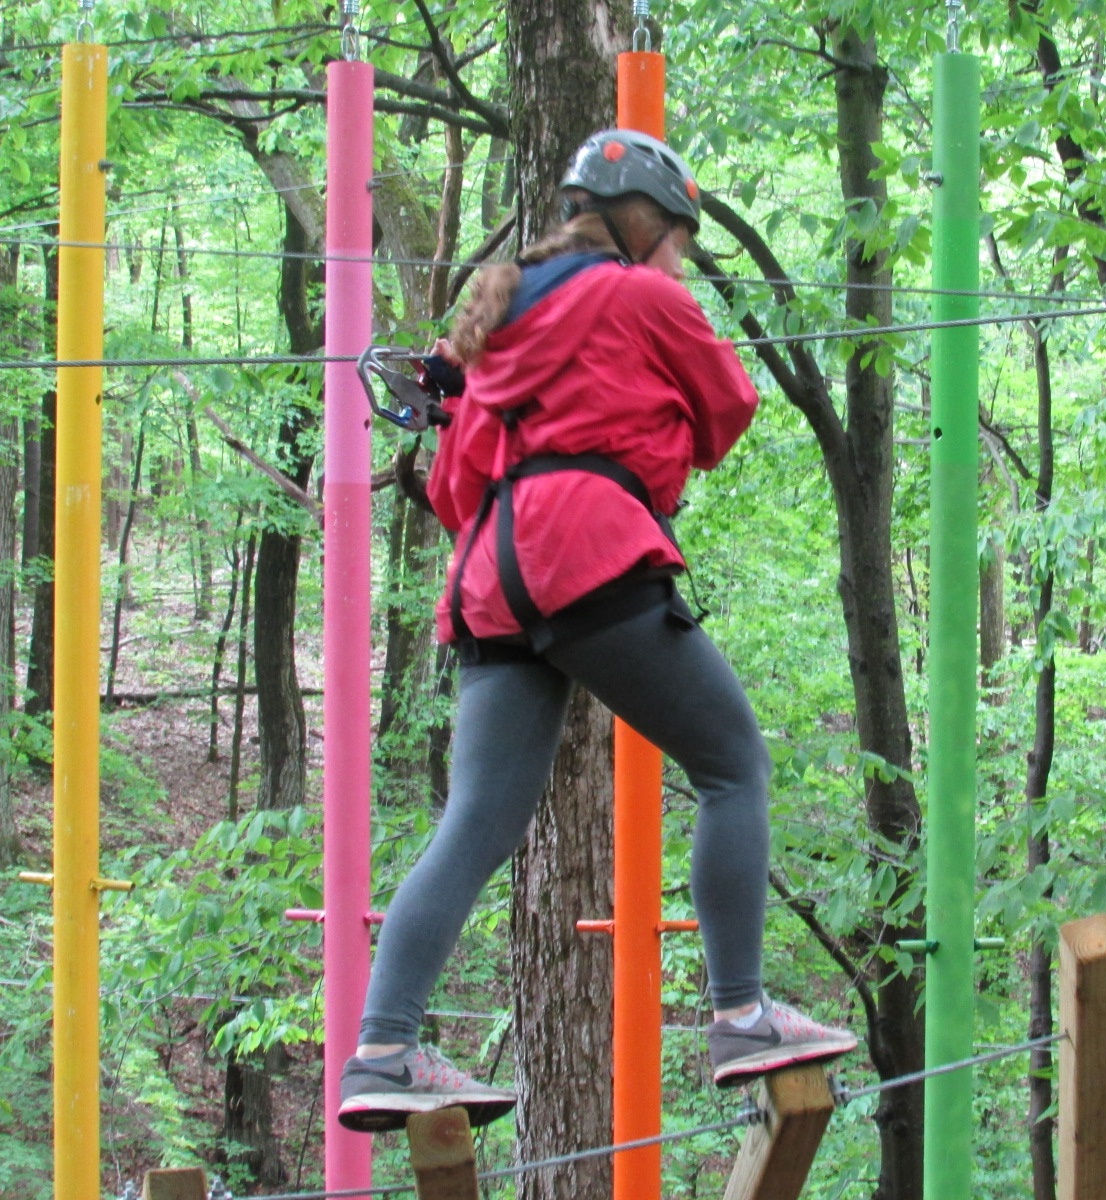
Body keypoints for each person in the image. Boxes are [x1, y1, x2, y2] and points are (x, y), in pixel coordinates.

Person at [337, 129, 858, 1133]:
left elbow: (451, 491)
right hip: (587, 550)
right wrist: (637, 433)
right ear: (641, 222)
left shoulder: (491, 331)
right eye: (679, 242)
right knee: (733, 766)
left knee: (476, 820)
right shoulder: (641, 297)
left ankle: (384, 1049)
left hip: (490, 578)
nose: (680, 263)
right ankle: (742, 1014)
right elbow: (729, 409)